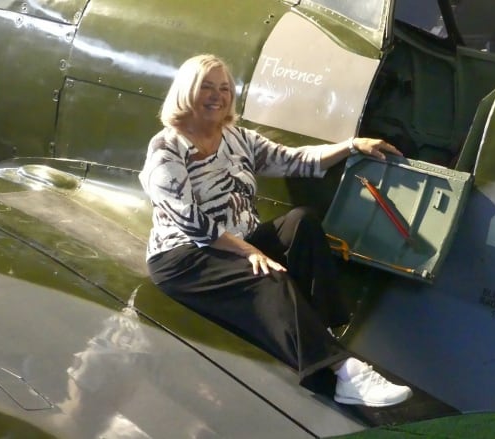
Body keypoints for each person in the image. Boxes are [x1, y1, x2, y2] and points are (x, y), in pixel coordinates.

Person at [139, 54, 412, 407]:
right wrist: (250, 252)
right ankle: (344, 375)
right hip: (185, 256)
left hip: (237, 240)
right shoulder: (166, 148)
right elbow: (191, 222)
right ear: (186, 92)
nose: (216, 96)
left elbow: (294, 160)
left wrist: (351, 145)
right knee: (269, 277)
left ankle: (320, 332)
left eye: (224, 88)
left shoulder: (236, 137)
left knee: (302, 221)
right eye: (206, 87)